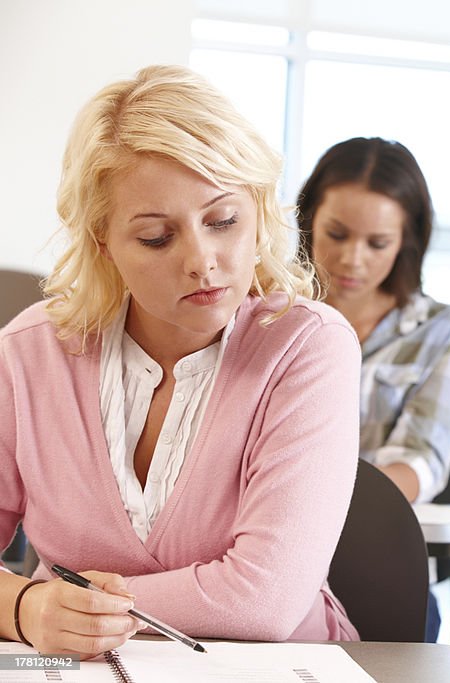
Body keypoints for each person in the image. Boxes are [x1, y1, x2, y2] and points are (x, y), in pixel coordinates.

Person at [0, 65, 361, 657]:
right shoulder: (27, 354)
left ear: (258, 210)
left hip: (283, 668)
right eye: (156, 238)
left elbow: (262, 601)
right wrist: (25, 608)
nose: (202, 260)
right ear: (102, 243)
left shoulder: (308, 345)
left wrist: (76, 606)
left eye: (223, 221)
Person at [296, 137, 450, 641]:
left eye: (377, 244)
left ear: (407, 241)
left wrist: (317, 508)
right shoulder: (265, 308)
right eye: (336, 234)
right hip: (259, 548)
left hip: (369, 553)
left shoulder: (443, 329)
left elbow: (421, 458)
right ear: (308, 221)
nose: (353, 260)